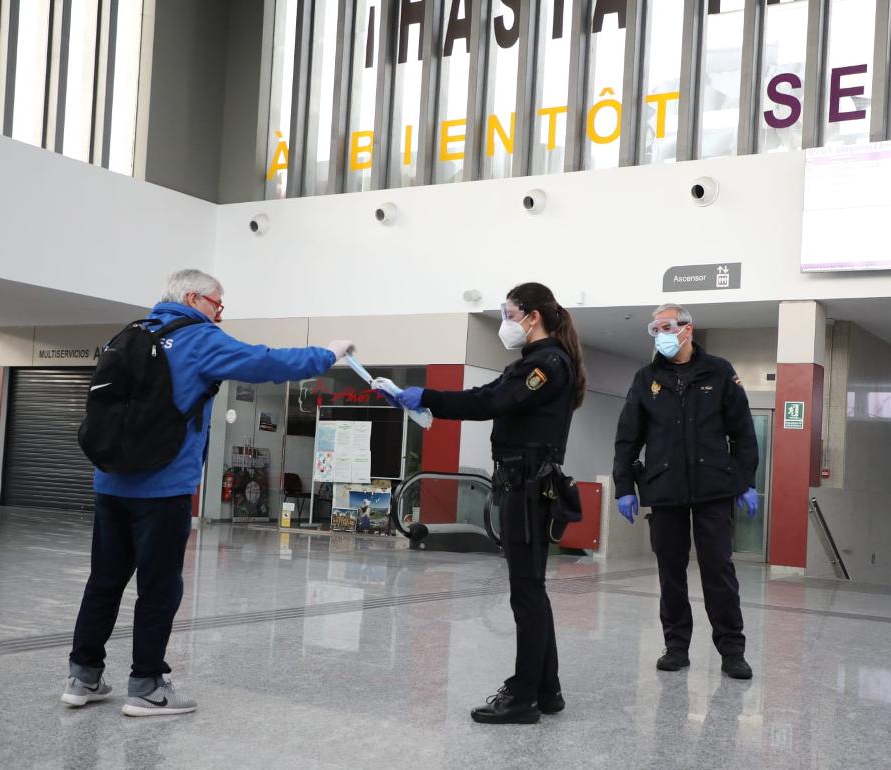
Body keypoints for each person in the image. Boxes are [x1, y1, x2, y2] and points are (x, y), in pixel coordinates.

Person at [62, 269, 354, 716]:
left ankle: (83, 677)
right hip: (163, 489)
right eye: (218, 305)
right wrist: (325, 355)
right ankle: (147, 687)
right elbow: (266, 362)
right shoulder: (198, 339)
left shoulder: (131, 333)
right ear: (195, 298)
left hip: (110, 482)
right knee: (159, 588)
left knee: (104, 581)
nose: (220, 314)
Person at [387, 283, 586, 725]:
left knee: (526, 593)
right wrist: (427, 399)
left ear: (533, 316)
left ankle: (523, 696)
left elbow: (489, 401)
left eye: (510, 312)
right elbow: (492, 394)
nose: (505, 322)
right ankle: (546, 690)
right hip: (526, 486)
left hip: (530, 489)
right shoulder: (539, 362)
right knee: (531, 590)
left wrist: (429, 397)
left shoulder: (547, 364)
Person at [612, 303, 759, 680]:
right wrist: (624, 486)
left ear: (687, 330)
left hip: (713, 489)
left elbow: (742, 432)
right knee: (670, 572)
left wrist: (745, 481)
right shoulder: (646, 378)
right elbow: (628, 438)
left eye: (666, 326)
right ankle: (676, 646)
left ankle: (731, 650)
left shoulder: (720, 372)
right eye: (655, 328)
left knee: (718, 570)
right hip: (665, 489)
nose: (660, 333)